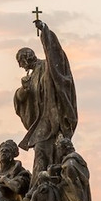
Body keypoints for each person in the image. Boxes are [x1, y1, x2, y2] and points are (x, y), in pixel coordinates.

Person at [14, 19, 78, 179]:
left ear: (26, 57)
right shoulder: (29, 78)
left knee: (58, 152)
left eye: (21, 62)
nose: (21, 67)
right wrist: (24, 90)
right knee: (41, 152)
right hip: (42, 123)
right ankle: (37, 189)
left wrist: (45, 32)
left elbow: (56, 56)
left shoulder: (47, 65)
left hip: (55, 118)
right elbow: (20, 100)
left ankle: (49, 187)